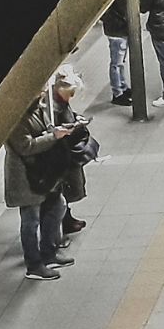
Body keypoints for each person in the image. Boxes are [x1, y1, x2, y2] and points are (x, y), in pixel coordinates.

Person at [6, 90, 76, 281]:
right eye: (39, 88)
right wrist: (54, 137)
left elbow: (46, 128)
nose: (44, 91)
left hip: (43, 172)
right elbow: (25, 147)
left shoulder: (38, 108)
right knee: (30, 220)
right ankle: (34, 265)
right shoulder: (15, 119)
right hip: (27, 177)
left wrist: (58, 130)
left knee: (57, 205)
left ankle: (48, 253)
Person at [49, 68, 97, 235]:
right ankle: (63, 222)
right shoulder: (54, 108)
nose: (72, 97)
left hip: (67, 152)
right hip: (63, 153)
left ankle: (66, 218)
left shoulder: (60, 102)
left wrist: (76, 120)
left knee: (68, 188)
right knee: (66, 188)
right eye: (70, 94)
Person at [99, 0, 132, 107]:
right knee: (117, 63)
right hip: (118, 30)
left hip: (115, 28)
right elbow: (125, 10)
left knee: (120, 62)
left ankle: (122, 86)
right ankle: (117, 93)